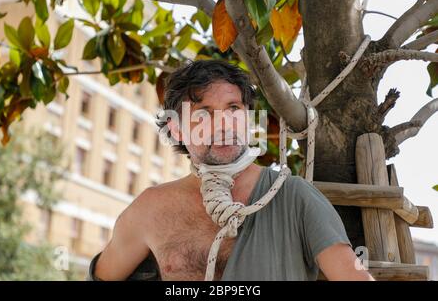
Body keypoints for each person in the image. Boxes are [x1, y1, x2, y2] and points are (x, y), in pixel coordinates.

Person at [87, 60, 374, 281]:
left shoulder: (292, 197)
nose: (223, 123)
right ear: (176, 128)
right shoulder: (150, 209)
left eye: (234, 108)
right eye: (203, 112)